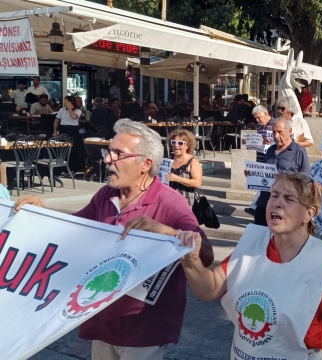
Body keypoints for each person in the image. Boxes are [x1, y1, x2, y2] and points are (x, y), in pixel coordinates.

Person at [15, 119, 214, 359]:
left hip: (143, 329)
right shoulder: (106, 194)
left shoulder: (171, 202)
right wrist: (42, 211)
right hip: (101, 318)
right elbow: (76, 228)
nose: (107, 160)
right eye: (108, 152)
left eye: (118, 154)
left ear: (145, 164)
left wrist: (168, 232)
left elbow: (207, 254)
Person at [178, 172, 322, 359]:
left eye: (289, 198)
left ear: (309, 213)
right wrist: (192, 262)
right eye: (274, 195)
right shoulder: (251, 245)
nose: (277, 202)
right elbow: (210, 289)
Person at [249, 118, 310, 226]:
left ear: (290, 131)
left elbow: (306, 179)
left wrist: (287, 177)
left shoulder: (299, 151)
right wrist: (253, 174)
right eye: (273, 132)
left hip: (285, 206)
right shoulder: (270, 150)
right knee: (259, 237)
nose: (276, 136)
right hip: (265, 203)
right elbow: (264, 172)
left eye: (279, 132)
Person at [166, 129, 203, 205]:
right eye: (173, 142)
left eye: (180, 143)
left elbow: (197, 183)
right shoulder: (169, 160)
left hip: (187, 203)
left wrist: (177, 179)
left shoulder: (192, 161)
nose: (176, 145)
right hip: (169, 201)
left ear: (187, 146)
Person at [54, 96, 83, 175]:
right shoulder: (61, 110)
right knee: (63, 149)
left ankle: (72, 168)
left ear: (70, 102)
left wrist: (70, 108)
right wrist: (55, 131)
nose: (64, 103)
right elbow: (57, 120)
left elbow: (73, 117)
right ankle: (62, 168)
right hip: (63, 129)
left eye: (66, 101)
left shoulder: (78, 110)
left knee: (73, 150)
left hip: (73, 130)